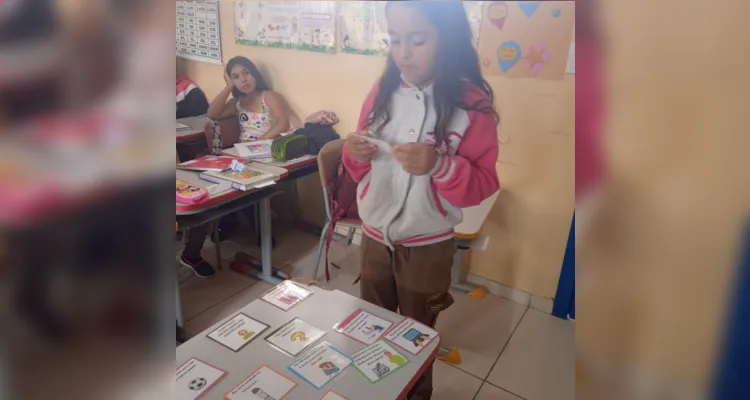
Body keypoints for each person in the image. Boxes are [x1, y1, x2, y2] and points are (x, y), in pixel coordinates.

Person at [342, 2, 499, 399]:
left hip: (427, 246)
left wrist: (439, 166)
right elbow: (361, 163)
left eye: (417, 40)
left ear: (447, 39)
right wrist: (353, 153)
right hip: (375, 238)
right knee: (371, 329)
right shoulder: (382, 91)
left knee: (416, 338)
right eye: (394, 40)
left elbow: (482, 183)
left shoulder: (471, 104)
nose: (403, 53)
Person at [206, 56, 289, 243]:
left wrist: (257, 143)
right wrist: (228, 87)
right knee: (227, 180)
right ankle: (232, 219)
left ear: (254, 74)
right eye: (235, 77)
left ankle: (257, 229)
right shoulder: (237, 102)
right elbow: (212, 113)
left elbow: (283, 124)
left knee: (248, 184)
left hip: (265, 153)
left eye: (246, 73)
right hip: (242, 155)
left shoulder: (268, 96)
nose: (243, 80)